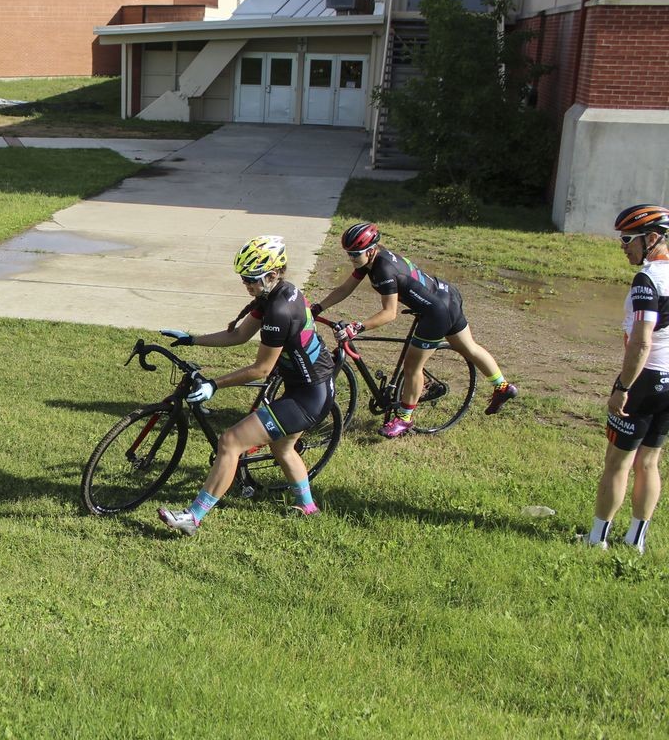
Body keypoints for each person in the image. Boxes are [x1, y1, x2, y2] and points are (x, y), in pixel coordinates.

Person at [156, 236, 336, 535]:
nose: (246, 285)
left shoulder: (278, 312)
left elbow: (261, 369)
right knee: (283, 448)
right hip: (312, 386)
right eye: (244, 279)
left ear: (273, 273)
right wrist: (193, 338)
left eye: (251, 279)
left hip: (308, 396)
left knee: (231, 442)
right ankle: (307, 506)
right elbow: (238, 336)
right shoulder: (277, 294)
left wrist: (215, 384)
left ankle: (193, 517)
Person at [312, 222, 518, 437]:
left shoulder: (383, 270)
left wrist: (358, 327)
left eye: (355, 253)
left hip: (436, 312)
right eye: (349, 253)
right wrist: (318, 307)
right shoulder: (371, 260)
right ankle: (503, 386)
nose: (351, 258)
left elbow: (389, 313)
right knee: (468, 347)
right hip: (446, 295)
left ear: (371, 250)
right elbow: (345, 288)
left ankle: (404, 419)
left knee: (412, 366)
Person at [579, 204, 669, 553]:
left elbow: (642, 341)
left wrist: (622, 387)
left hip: (645, 379)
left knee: (618, 462)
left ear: (652, 238)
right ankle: (636, 541)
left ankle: (596, 540)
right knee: (650, 462)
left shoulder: (647, 280)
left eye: (628, 238)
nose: (623, 246)